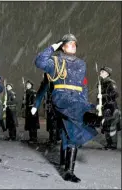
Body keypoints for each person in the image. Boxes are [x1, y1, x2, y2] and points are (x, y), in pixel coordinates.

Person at [35, 33, 102, 183]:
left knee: (71, 133)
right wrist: (53, 46)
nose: (72, 46)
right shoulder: (55, 61)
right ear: (62, 47)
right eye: (68, 44)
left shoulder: (81, 64)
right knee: (76, 118)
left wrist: (86, 103)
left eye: (74, 44)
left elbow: (83, 86)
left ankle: (68, 171)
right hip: (62, 96)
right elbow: (39, 61)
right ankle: (94, 119)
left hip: (77, 99)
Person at [32, 73, 61, 145]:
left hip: (55, 106)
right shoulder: (49, 82)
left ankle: (54, 140)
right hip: (51, 106)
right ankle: (53, 139)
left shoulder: (53, 82)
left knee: (54, 124)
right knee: (52, 125)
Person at [98, 66, 120, 150]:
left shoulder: (111, 83)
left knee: (112, 127)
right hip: (105, 108)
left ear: (107, 73)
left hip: (111, 108)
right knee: (106, 126)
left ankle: (113, 145)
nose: (100, 72)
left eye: (102, 71)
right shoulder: (102, 83)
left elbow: (115, 94)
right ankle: (109, 144)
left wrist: (103, 96)